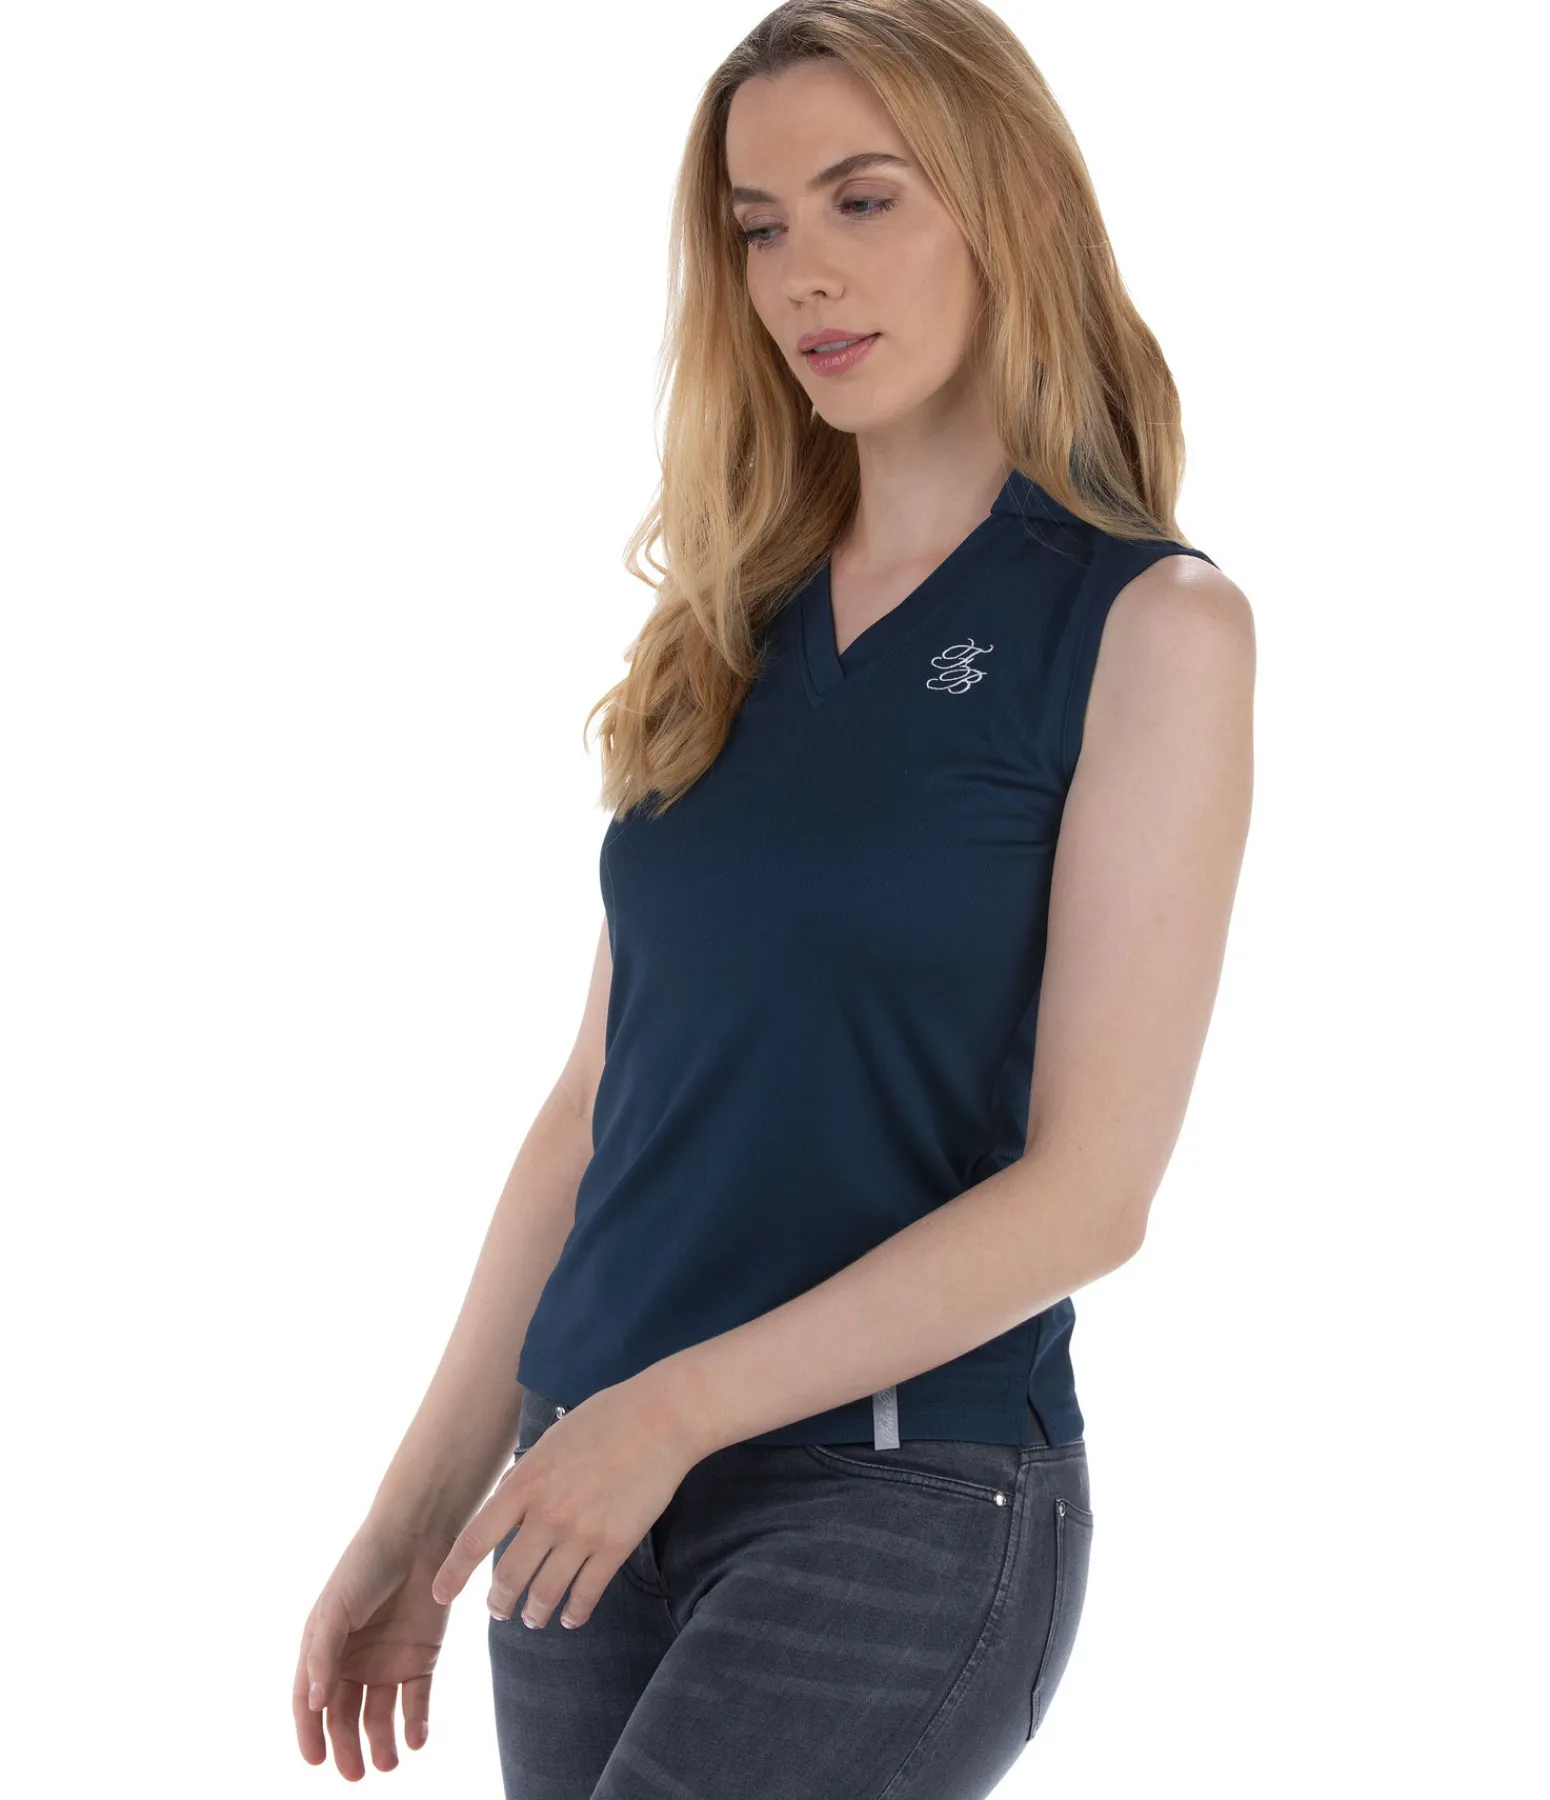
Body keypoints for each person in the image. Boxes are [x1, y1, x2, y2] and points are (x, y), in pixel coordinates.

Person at [293, 1, 1255, 1792]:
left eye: (862, 200)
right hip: (583, 1496)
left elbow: (1089, 1195)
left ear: (1009, 208)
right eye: (756, 226)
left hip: (891, 1492)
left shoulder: (1143, 626)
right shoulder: (721, 631)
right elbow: (597, 1109)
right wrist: (415, 1519)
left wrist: (674, 1413)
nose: (802, 271)